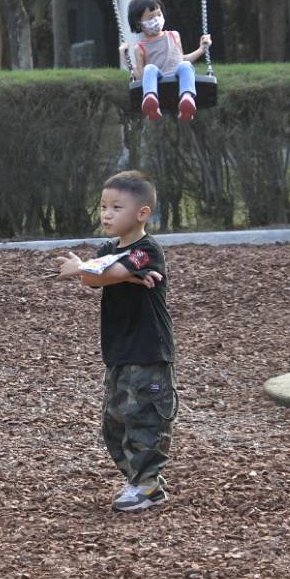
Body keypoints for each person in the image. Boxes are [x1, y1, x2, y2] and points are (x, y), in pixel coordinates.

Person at [57, 170, 177, 513]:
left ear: (142, 213)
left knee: (145, 417)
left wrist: (83, 268)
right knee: (115, 422)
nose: (106, 214)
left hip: (149, 350)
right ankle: (138, 480)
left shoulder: (146, 250)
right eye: (103, 206)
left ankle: (147, 485)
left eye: (116, 207)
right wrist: (88, 270)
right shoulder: (108, 248)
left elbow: (115, 272)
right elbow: (93, 282)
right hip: (119, 350)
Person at [121, 0, 210, 122]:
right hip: (159, 81)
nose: (156, 19)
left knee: (185, 66)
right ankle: (151, 99)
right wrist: (124, 57)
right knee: (149, 68)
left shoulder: (174, 35)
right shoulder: (140, 48)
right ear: (139, 24)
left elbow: (181, 60)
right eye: (151, 17)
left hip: (177, 78)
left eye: (158, 14)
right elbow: (140, 76)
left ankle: (186, 98)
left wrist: (202, 49)